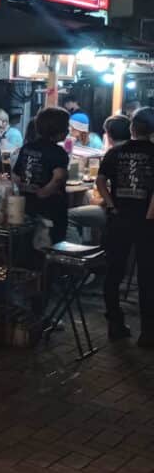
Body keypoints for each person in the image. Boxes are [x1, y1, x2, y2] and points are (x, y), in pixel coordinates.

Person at [96, 107, 154, 346]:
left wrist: (112, 206)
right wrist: (149, 216)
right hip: (147, 223)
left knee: (114, 273)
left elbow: (100, 181)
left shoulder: (115, 152)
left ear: (132, 128)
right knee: (147, 277)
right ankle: (148, 333)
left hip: (119, 219)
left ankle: (115, 325)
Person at [67, 115, 131, 244]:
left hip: (116, 212)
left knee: (67, 216)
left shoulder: (113, 153)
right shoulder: (146, 151)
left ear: (108, 134)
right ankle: (97, 245)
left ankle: (76, 255)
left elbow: (100, 182)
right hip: (138, 214)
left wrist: (109, 204)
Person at [13, 107, 70, 244]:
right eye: (66, 126)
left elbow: (15, 175)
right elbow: (59, 177)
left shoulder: (27, 147)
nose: (68, 130)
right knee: (53, 243)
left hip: (27, 204)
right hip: (51, 207)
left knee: (29, 242)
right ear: (58, 129)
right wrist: (44, 192)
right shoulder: (58, 152)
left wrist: (24, 188)